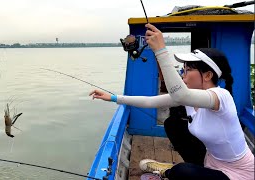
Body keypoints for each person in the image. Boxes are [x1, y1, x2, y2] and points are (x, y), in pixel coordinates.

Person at [89, 23, 254, 180]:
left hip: (239, 174)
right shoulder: (190, 97)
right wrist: (113, 97)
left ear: (208, 75)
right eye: (183, 69)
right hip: (210, 162)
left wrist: (161, 50)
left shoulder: (221, 96)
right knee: (173, 124)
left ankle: (170, 171)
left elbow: (180, 94)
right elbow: (150, 101)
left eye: (188, 70)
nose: (183, 74)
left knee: (182, 172)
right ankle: (191, 170)